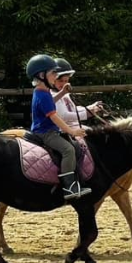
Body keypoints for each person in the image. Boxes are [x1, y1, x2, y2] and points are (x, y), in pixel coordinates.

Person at [26, 54, 91, 201]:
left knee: (72, 147)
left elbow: (51, 102)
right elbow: (54, 117)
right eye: (53, 73)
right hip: (45, 132)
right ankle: (69, 187)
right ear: (42, 75)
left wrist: (62, 93)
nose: (56, 76)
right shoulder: (43, 95)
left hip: (46, 130)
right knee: (68, 150)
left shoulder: (42, 91)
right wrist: (72, 131)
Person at [51, 57, 103, 129]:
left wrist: (91, 107)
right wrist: (86, 114)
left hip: (72, 126)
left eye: (66, 81)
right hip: (63, 129)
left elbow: (72, 110)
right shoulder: (53, 96)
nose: (64, 84)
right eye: (61, 81)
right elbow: (64, 116)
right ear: (53, 80)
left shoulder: (65, 94)